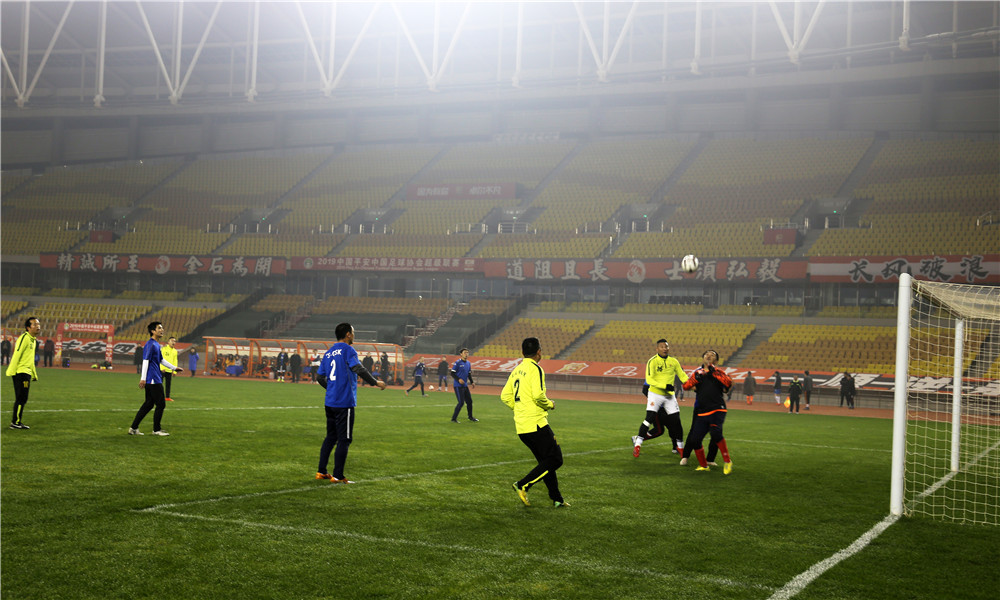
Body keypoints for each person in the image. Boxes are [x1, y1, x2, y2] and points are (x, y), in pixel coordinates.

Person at [315, 323, 386, 483]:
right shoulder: (348, 350)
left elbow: (319, 377)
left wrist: (331, 388)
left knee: (330, 437)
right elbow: (358, 368)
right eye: (353, 332)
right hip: (344, 402)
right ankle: (338, 476)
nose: (354, 335)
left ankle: (321, 471)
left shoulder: (328, 353)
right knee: (344, 439)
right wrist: (375, 382)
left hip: (330, 402)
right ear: (348, 334)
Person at [501, 337, 567, 508]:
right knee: (556, 459)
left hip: (522, 426)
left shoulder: (517, 370)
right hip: (536, 423)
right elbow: (538, 396)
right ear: (539, 352)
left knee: (546, 462)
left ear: (522, 352)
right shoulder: (535, 369)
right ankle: (523, 485)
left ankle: (557, 499)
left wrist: (520, 409)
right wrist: (550, 404)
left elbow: (505, 396)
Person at [632, 338, 688, 457]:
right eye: (662, 347)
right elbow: (649, 379)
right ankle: (637, 444)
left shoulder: (674, 361)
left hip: (669, 396)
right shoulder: (652, 361)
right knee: (649, 418)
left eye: (666, 346)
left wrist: (692, 384)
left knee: (676, 421)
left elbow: (683, 376)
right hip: (655, 394)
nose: (665, 348)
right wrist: (665, 386)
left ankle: (680, 447)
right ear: (657, 348)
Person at [680, 349, 734, 474]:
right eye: (706, 354)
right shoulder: (697, 372)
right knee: (695, 439)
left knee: (715, 433)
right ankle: (703, 465)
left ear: (716, 360)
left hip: (717, 408)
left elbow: (728, 383)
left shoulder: (719, 372)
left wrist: (714, 373)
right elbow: (686, 386)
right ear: (703, 358)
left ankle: (727, 461)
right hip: (702, 410)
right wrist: (695, 379)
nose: (709, 355)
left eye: (712, 354)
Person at [129, 322, 182, 436]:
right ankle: (156, 430)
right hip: (152, 378)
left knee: (148, 404)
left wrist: (174, 368)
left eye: (162, 328)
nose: (162, 330)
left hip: (153, 377)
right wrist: (143, 378)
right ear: (153, 331)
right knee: (161, 404)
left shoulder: (156, 344)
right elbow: (145, 360)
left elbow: (161, 360)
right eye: (159, 328)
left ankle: (133, 428)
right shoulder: (151, 344)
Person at [6, 317, 40, 429]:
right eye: (34, 324)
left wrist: (34, 374)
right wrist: (11, 370)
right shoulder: (24, 338)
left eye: (38, 324)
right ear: (28, 327)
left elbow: (30, 360)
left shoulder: (33, 340)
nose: (38, 326)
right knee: (21, 398)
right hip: (20, 372)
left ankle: (16, 422)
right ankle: (15, 422)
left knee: (22, 398)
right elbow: (17, 354)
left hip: (26, 373)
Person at [450, 348, 477, 422]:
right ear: (461, 354)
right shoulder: (457, 363)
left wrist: (472, 382)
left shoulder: (468, 363)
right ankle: (453, 419)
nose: (466, 354)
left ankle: (470, 417)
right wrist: (458, 379)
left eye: (467, 352)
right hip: (458, 386)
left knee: (469, 402)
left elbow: (469, 374)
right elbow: (452, 373)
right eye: (465, 352)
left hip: (465, 386)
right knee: (461, 402)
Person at [161, 336, 179, 401]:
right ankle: (158, 396)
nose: (173, 342)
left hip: (169, 370)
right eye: (172, 341)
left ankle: (167, 397)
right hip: (162, 370)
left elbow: (175, 361)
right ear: (168, 342)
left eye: (174, 341)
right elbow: (160, 358)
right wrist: (161, 368)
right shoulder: (163, 349)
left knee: (168, 384)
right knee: (159, 384)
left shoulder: (175, 351)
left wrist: (175, 371)